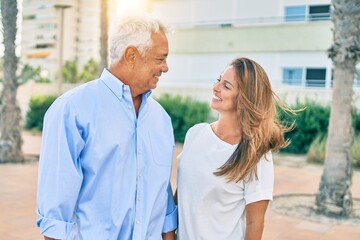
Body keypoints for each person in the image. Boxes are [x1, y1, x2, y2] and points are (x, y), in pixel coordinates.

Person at [36, 13, 177, 240]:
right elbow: (56, 217)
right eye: (160, 59)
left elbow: (163, 199)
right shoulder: (72, 110)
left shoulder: (161, 119)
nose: (166, 67)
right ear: (131, 55)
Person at [176, 57, 292, 240]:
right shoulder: (195, 134)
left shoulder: (257, 154)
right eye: (218, 80)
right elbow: (182, 194)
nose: (216, 87)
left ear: (245, 100)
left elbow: (255, 223)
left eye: (226, 86)